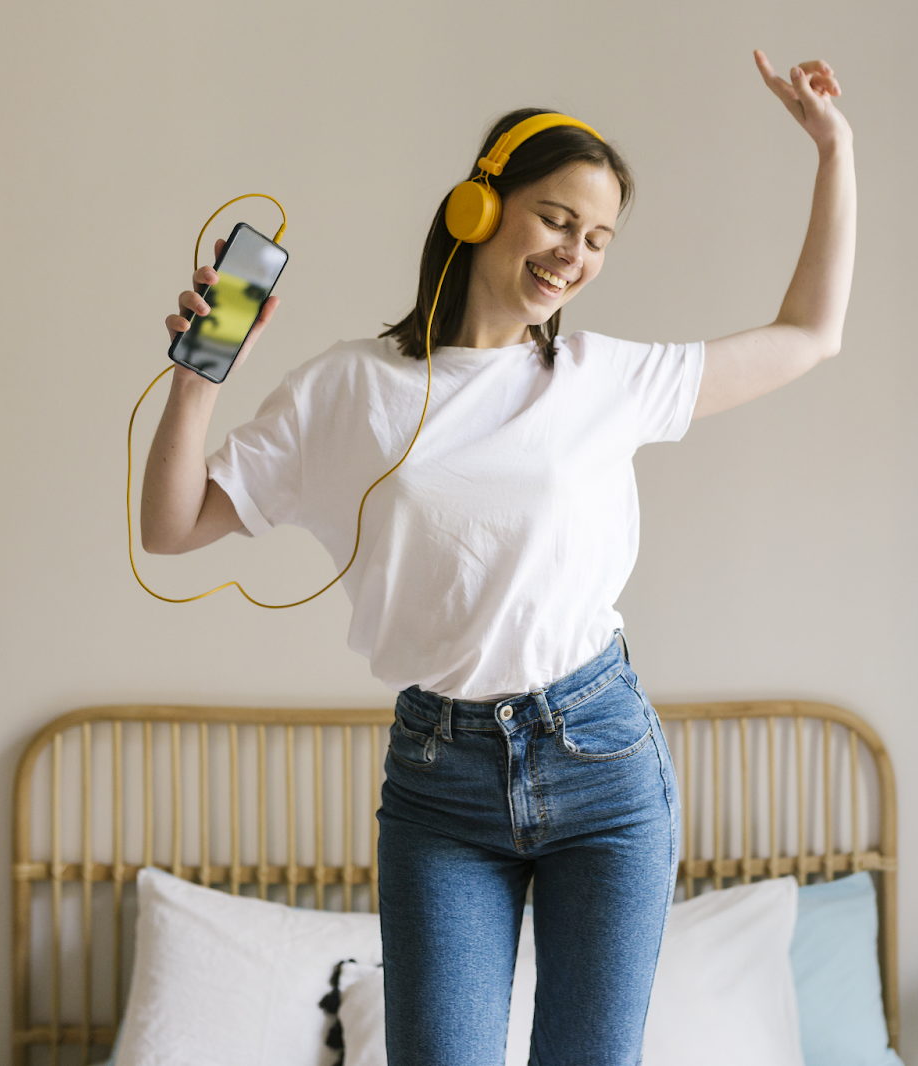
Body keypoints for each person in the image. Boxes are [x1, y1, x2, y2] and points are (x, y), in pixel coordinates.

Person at [141, 48, 854, 1066]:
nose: (575, 254)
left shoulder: (605, 378)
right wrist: (200, 377)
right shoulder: (349, 389)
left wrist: (835, 148)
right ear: (480, 205)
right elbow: (171, 527)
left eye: (599, 238)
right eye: (558, 218)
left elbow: (810, 333)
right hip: (442, 781)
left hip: (600, 754)